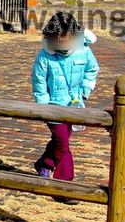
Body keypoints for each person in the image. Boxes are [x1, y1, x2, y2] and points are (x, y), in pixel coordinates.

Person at [31, 12, 99, 194]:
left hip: (75, 104)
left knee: (62, 140)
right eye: (58, 39)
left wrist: (85, 90)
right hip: (53, 106)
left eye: (66, 39)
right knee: (63, 144)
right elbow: (39, 81)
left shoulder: (84, 50)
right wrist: (43, 105)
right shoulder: (45, 56)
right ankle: (65, 185)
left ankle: (44, 163)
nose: (62, 43)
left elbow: (92, 70)